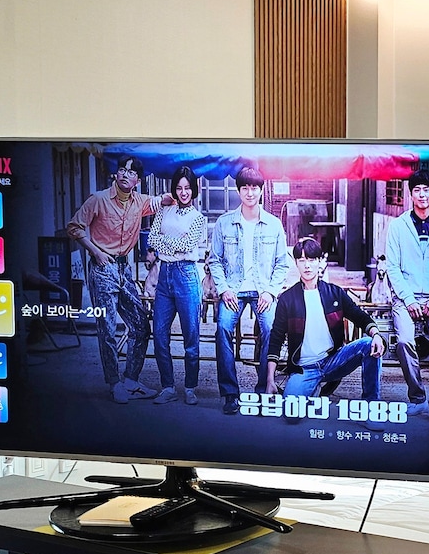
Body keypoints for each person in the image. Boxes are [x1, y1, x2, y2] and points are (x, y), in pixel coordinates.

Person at [66, 155, 166, 403]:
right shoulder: (98, 199)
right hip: (102, 268)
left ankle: (131, 380)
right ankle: (114, 383)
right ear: (116, 173)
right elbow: (74, 226)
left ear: (137, 180)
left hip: (124, 270)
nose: (124, 174)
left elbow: (160, 201)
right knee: (108, 329)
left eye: (131, 172)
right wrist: (95, 251)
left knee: (141, 326)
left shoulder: (140, 202)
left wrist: (177, 194)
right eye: (122, 169)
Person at [263, 238, 385, 411]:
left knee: (368, 344)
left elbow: (360, 316)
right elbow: (276, 339)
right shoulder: (287, 299)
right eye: (302, 260)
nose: (307, 266)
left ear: (320, 261)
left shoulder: (334, 293)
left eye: (311, 260)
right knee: (291, 414)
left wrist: (376, 334)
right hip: (304, 368)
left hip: (333, 361)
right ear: (296, 263)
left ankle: (372, 406)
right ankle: (313, 388)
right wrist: (270, 380)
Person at [209, 165, 289, 415]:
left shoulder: (274, 224)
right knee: (223, 327)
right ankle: (230, 393)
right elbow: (214, 260)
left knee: (271, 328)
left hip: (262, 290)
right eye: (245, 188)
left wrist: (270, 292)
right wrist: (224, 290)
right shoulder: (224, 223)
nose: (250, 193)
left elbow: (282, 263)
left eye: (254, 188)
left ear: (261, 191)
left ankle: (264, 388)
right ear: (238, 191)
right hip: (233, 289)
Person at [147, 164, 206, 405]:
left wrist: (166, 242)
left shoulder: (198, 218)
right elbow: (152, 239)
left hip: (187, 275)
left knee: (191, 336)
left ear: (193, 190)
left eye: (187, 188)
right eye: (179, 188)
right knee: (159, 334)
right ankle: (168, 386)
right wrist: (172, 243)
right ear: (174, 189)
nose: (183, 192)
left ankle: (190, 387)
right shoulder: (164, 210)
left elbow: (187, 245)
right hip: (164, 275)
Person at [384, 169, 429, 405]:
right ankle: (418, 398)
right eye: (417, 190)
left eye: (426, 190)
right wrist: (409, 299)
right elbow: (392, 267)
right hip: (405, 298)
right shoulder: (397, 226)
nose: (422, 195)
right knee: (405, 342)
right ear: (410, 194)